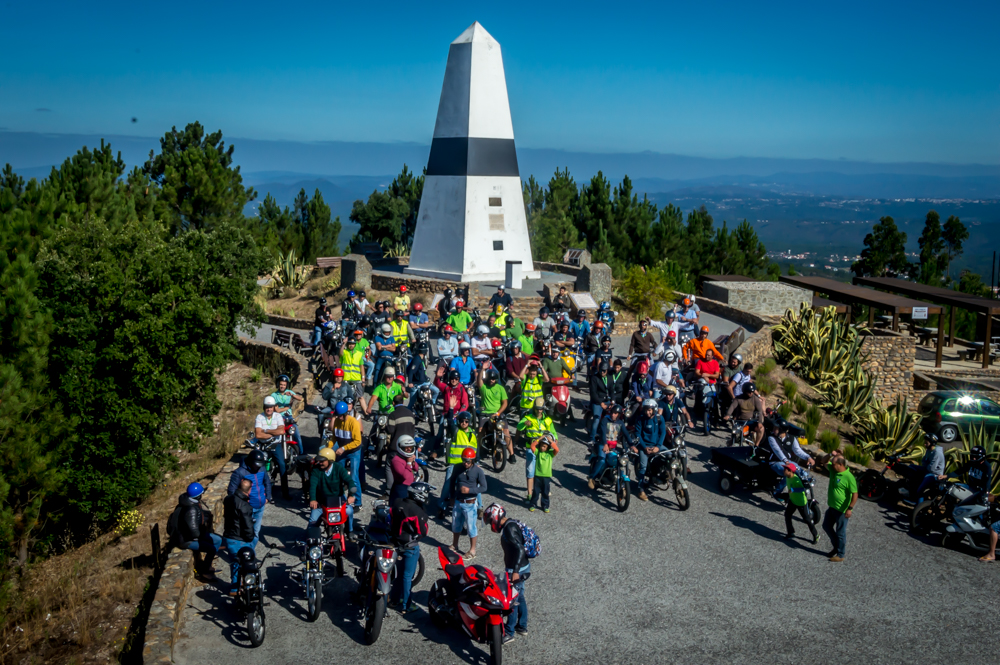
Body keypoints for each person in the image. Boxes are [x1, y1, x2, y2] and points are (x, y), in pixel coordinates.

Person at [483, 503, 530, 643]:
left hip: (517, 569)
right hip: (523, 566)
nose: (492, 524)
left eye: (491, 521)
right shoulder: (511, 524)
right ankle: (522, 626)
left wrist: (515, 571)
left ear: (496, 517)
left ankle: (509, 632)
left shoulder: (509, 529)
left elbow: (520, 549)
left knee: (512, 601)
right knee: (519, 596)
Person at [388, 482, 430, 613]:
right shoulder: (417, 511)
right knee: (407, 576)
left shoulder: (397, 502)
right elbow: (423, 532)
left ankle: (394, 600)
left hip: (395, 543)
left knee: (399, 575)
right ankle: (407, 604)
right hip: (409, 546)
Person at [173, 482, 222, 580]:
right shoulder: (191, 509)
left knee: (218, 540)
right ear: (198, 496)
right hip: (187, 540)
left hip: (191, 536)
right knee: (211, 548)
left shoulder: (189, 502)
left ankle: (207, 563)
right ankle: (204, 571)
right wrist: (203, 537)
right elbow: (194, 532)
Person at [308, 447, 358, 532]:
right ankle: (312, 542)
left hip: (338, 501)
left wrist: (351, 495)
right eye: (319, 461)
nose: (319, 463)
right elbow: (312, 485)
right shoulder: (316, 471)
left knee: (349, 511)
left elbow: (349, 481)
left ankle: (350, 531)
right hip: (322, 502)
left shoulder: (339, 468)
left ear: (330, 460)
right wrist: (313, 499)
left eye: (322, 461)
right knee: (312, 523)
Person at [439, 411, 479, 516]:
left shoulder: (473, 433)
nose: (464, 423)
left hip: (469, 463)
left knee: (475, 483)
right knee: (448, 483)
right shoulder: (455, 430)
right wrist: (451, 409)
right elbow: (450, 422)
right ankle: (441, 506)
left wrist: (477, 462)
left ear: (469, 422)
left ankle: (480, 508)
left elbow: (476, 448)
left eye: (466, 421)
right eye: (462, 421)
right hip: (455, 463)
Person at [517, 398, 557, 503]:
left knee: (543, 471)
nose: (539, 411)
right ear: (534, 408)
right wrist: (525, 423)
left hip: (544, 450)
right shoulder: (528, 417)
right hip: (532, 448)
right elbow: (519, 427)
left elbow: (554, 434)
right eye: (538, 409)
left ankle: (544, 490)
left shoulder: (548, 420)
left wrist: (554, 442)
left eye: (541, 409)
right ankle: (530, 494)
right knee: (530, 471)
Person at [325, 400, 364, 504]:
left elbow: (357, 441)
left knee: (354, 477)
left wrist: (343, 448)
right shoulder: (337, 421)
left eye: (341, 416)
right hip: (343, 451)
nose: (339, 418)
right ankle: (341, 500)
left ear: (346, 413)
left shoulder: (353, 423)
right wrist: (329, 448)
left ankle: (358, 502)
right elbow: (334, 437)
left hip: (354, 452)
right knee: (339, 476)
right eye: (338, 416)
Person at [450, 447, 487, 558]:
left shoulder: (478, 471)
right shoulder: (457, 468)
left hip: (470, 503)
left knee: (471, 527)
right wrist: (451, 497)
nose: (465, 463)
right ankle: (455, 545)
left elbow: (484, 487)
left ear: (473, 460)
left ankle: (472, 550)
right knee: (456, 524)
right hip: (458, 501)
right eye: (464, 460)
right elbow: (452, 482)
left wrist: (470, 491)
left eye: (468, 461)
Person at [228, 449, 272, 541]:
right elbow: (231, 491)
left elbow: (267, 482)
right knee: (246, 533)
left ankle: (251, 552)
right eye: (256, 465)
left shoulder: (262, 469)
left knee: (256, 532)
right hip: (247, 509)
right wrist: (242, 503)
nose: (257, 468)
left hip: (260, 506)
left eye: (259, 465)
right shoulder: (239, 472)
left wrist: (267, 497)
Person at [223, 478, 257, 595]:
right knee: (249, 562)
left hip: (228, 537)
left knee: (235, 562)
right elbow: (248, 526)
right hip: (239, 539)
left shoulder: (228, 499)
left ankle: (235, 587)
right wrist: (250, 538)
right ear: (249, 490)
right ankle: (249, 586)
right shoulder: (245, 506)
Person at [824, 452, 858, 562]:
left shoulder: (849, 477)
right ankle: (836, 547)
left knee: (840, 533)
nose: (831, 466)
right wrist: (830, 454)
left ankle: (840, 554)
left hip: (842, 511)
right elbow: (823, 461)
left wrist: (850, 508)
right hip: (832, 507)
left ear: (840, 465)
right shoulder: (833, 471)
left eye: (833, 464)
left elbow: (855, 494)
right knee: (826, 526)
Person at [630, 398, 666, 501]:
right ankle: (640, 490)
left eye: (649, 410)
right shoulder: (640, 418)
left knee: (670, 455)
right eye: (646, 409)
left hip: (656, 446)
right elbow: (637, 434)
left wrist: (658, 447)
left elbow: (663, 432)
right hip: (644, 447)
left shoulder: (660, 418)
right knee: (643, 467)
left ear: (654, 409)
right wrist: (645, 447)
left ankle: (667, 476)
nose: (647, 412)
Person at [478, 367, 515, 463]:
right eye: (490, 378)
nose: (491, 380)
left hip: (497, 413)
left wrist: (498, 412)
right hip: (485, 414)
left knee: (506, 431)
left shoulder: (500, 388)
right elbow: (479, 381)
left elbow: (505, 403)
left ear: (496, 379)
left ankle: (512, 454)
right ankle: (478, 452)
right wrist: (482, 369)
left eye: (493, 379)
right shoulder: (484, 387)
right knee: (480, 430)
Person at [252, 396, 288, 497]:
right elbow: (258, 435)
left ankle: (285, 492)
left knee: (282, 465)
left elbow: (281, 431)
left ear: (273, 407)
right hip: (263, 445)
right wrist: (274, 432)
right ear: (264, 407)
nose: (269, 409)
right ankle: (260, 492)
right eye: (267, 407)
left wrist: (266, 431)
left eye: (271, 407)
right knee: (259, 466)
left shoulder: (278, 416)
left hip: (275, 445)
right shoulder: (259, 417)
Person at [767, 421, 814, 497]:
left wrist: (808, 457)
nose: (773, 430)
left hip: (788, 462)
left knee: (803, 473)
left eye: (776, 428)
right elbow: (777, 450)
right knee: (789, 473)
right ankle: (777, 492)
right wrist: (786, 461)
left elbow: (798, 451)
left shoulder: (792, 438)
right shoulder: (771, 438)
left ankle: (800, 491)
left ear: (781, 430)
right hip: (775, 462)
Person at [433, 368, 469, 457]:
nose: (454, 380)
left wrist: (460, 413)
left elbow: (465, 404)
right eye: (452, 378)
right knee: (440, 432)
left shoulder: (461, 389)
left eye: (456, 379)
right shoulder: (446, 387)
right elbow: (437, 384)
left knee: (459, 431)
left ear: (459, 379)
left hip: (456, 414)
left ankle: (463, 447)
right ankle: (435, 450)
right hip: (445, 413)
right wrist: (437, 377)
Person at [588, 404, 626, 488]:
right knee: (602, 460)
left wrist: (632, 445)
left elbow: (626, 434)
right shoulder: (605, 420)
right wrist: (605, 444)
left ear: (619, 415)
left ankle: (622, 482)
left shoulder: (620, 423)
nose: (613, 414)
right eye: (612, 412)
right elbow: (603, 432)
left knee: (621, 462)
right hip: (602, 444)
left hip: (613, 447)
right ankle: (591, 478)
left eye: (616, 413)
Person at [783, 463, 819, 543]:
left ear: (790, 471)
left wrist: (793, 490)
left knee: (807, 520)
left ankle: (816, 535)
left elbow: (803, 489)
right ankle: (791, 532)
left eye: (785, 469)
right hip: (793, 501)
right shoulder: (787, 477)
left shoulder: (796, 479)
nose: (784, 470)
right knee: (787, 515)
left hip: (801, 503)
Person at [271, 374, 304, 455]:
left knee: (297, 434)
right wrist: (287, 407)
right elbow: (277, 410)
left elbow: (300, 398)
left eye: (284, 385)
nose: (282, 386)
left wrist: (292, 395)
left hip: (289, 417)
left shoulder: (289, 392)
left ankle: (301, 453)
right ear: (278, 384)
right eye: (281, 384)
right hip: (279, 417)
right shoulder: (274, 395)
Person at [529, 433, 559, 512]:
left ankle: (545, 505)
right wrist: (539, 439)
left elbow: (557, 450)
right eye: (541, 445)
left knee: (545, 492)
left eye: (544, 446)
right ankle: (533, 504)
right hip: (537, 475)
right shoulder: (538, 452)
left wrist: (551, 441)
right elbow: (532, 446)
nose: (542, 447)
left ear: (548, 447)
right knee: (536, 491)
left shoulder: (550, 454)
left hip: (546, 476)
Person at [406, 342, 440, 408]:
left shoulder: (421, 359)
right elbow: (411, 371)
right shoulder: (417, 360)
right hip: (417, 384)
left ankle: (432, 404)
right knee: (411, 404)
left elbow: (422, 372)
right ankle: (409, 414)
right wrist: (410, 382)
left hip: (425, 382)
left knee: (436, 390)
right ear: (425, 351)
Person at [388, 435, 421, 502]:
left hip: (410, 486)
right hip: (401, 488)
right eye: (406, 447)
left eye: (411, 447)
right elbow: (405, 476)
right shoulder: (396, 460)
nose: (409, 449)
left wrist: (413, 462)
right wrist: (409, 463)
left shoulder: (408, 457)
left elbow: (416, 468)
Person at [589, 362, 613, 443]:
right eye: (601, 370)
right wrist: (601, 403)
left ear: (607, 370)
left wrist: (613, 401)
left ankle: (612, 438)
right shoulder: (594, 378)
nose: (602, 372)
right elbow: (593, 393)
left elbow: (612, 391)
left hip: (607, 400)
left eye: (604, 371)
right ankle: (592, 438)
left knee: (615, 415)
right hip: (597, 401)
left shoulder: (610, 378)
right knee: (596, 418)